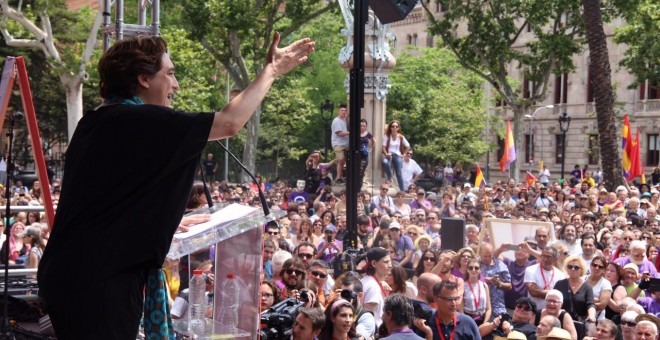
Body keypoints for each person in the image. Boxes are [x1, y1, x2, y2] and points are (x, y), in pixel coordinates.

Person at [37, 34, 314, 339]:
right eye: (169, 74)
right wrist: (272, 70)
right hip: (98, 281)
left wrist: (170, 222)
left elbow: (109, 204)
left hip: (78, 274)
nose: (176, 84)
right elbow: (230, 122)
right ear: (143, 79)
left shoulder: (101, 120)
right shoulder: (136, 120)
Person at [362, 247, 393, 327]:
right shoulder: (373, 286)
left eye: (390, 262)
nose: (390, 265)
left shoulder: (369, 281)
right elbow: (369, 316)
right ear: (374, 264)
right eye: (386, 262)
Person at [382, 120, 410, 190]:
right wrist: (386, 154)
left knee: (399, 174)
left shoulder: (400, 137)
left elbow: (408, 146)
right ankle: (390, 178)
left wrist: (403, 154)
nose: (394, 128)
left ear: (398, 128)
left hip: (397, 155)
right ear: (390, 128)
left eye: (396, 126)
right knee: (385, 162)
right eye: (393, 126)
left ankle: (402, 190)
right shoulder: (387, 136)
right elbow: (383, 147)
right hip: (389, 155)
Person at [463, 259, 491, 325]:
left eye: (476, 268)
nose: (473, 270)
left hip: (482, 319)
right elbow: (460, 310)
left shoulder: (484, 285)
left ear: (480, 270)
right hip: (467, 319)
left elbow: (488, 308)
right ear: (467, 270)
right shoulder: (463, 285)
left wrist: (485, 323)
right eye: (470, 268)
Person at [331, 104, 349, 182]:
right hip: (338, 144)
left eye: (345, 110)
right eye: (342, 110)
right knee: (341, 159)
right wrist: (350, 133)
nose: (344, 112)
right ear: (338, 111)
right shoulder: (336, 121)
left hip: (346, 144)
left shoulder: (344, 120)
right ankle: (338, 177)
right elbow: (339, 133)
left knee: (346, 160)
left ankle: (342, 176)